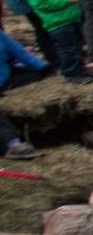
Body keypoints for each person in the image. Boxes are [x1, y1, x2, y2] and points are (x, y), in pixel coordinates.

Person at [21, 0, 90, 81]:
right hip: (58, 23)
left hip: (71, 19)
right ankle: (71, 73)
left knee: (76, 48)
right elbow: (42, 4)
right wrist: (66, 0)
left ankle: (81, 70)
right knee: (67, 50)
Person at [0, 26, 49, 158]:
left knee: (35, 73)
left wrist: (42, 66)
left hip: (4, 75)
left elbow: (18, 51)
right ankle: (13, 144)